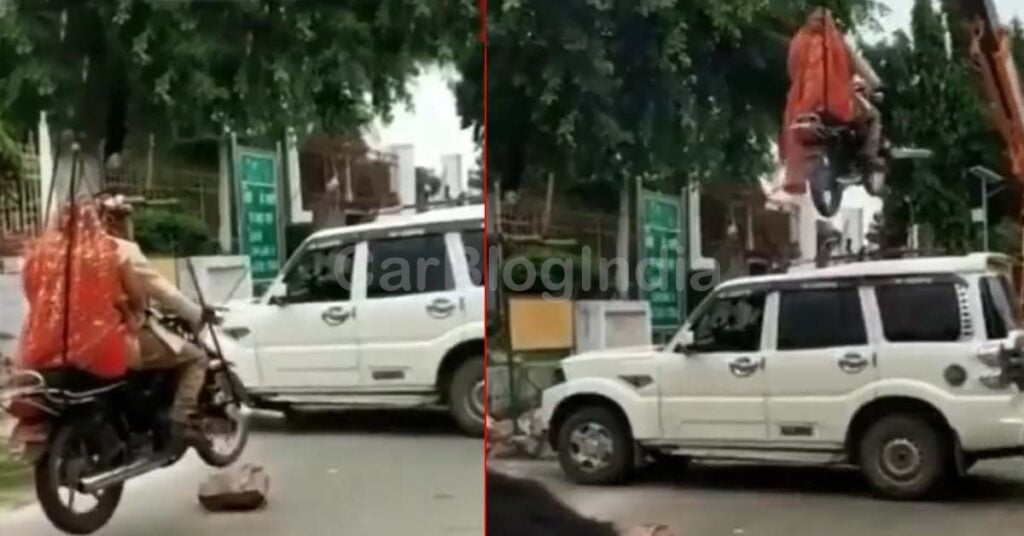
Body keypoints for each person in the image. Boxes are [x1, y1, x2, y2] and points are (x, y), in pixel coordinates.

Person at [95, 192, 216, 439]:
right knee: (196, 358)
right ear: (111, 221)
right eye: (123, 218)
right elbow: (159, 289)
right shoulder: (120, 249)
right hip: (117, 335)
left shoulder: (65, 254)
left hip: (72, 340)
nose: (127, 224)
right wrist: (195, 312)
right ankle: (180, 422)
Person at [18, 201, 145, 379]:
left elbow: (31, 295)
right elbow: (136, 297)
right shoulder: (109, 252)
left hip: (42, 345)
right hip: (101, 349)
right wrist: (135, 314)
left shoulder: (36, 254)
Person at [780, 6, 884, 194]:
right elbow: (863, 70)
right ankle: (867, 159)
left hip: (801, 107)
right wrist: (876, 84)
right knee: (874, 116)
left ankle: (798, 176)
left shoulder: (798, 41)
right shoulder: (836, 42)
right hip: (836, 105)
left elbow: (791, 70)